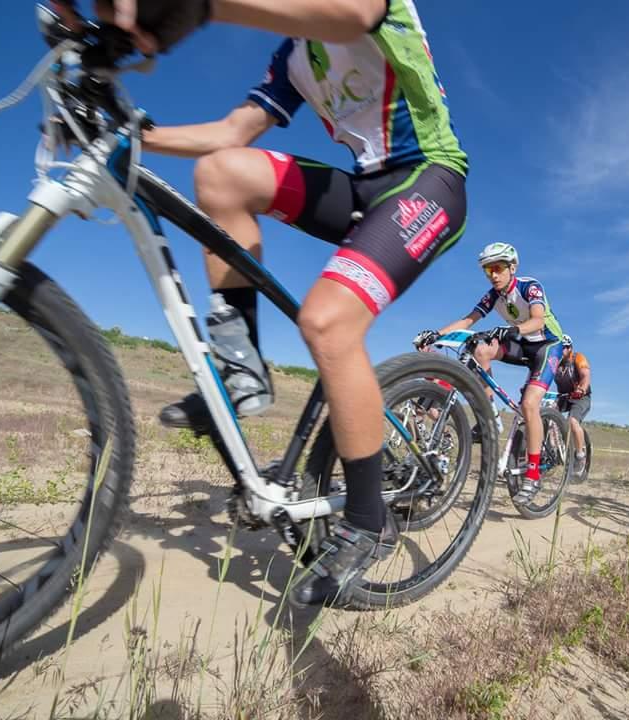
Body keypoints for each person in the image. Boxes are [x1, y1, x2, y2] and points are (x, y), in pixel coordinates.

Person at [54, 0, 469, 607]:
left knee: (326, 323)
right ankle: (241, 364)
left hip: (430, 179)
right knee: (222, 173)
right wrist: (131, 135)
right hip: (362, 186)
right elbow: (228, 133)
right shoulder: (293, 53)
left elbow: (353, 16)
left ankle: (367, 516)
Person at [416, 243, 565, 503]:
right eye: (488, 271)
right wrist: (436, 334)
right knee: (481, 351)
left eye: (497, 268)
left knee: (530, 405)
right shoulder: (493, 295)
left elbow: (538, 320)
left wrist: (512, 330)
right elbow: (468, 320)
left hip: (547, 345)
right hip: (521, 343)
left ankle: (532, 476)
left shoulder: (529, 286)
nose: (493, 275)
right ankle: (491, 416)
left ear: (512, 268)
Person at [554, 335, 591, 468]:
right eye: (559, 348)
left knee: (572, 421)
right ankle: (553, 449)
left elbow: (585, 376)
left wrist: (581, 389)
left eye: (565, 347)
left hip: (581, 397)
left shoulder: (578, 358)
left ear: (570, 348)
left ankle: (580, 456)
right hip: (563, 396)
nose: (562, 350)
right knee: (547, 415)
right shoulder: (554, 362)